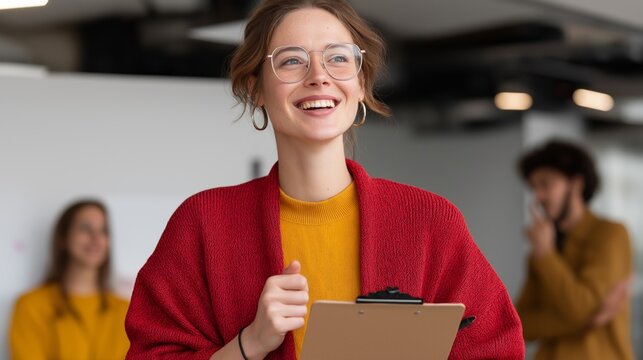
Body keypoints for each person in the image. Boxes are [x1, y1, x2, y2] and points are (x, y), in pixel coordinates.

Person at [124, 0, 524, 359]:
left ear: (361, 84)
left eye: (338, 58)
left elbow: (495, 348)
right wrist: (251, 343)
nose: (319, 75)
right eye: (292, 60)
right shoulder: (203, 223)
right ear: (255, 88)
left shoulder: (429, 220)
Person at [516, 140, 634, 360]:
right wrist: (589, 321)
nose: (538, 196)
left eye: (546, 184)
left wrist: (546, 255)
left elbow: (581, 308)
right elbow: (521, 324)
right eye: (534, 187)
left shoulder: (610, 234)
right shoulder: (543, 249)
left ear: (576, 183)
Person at [9, 200, 130, 360]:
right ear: (64, 238)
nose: (96, 238)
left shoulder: (125, 311)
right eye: (86, 228)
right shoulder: (30, 306)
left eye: (103, 231)